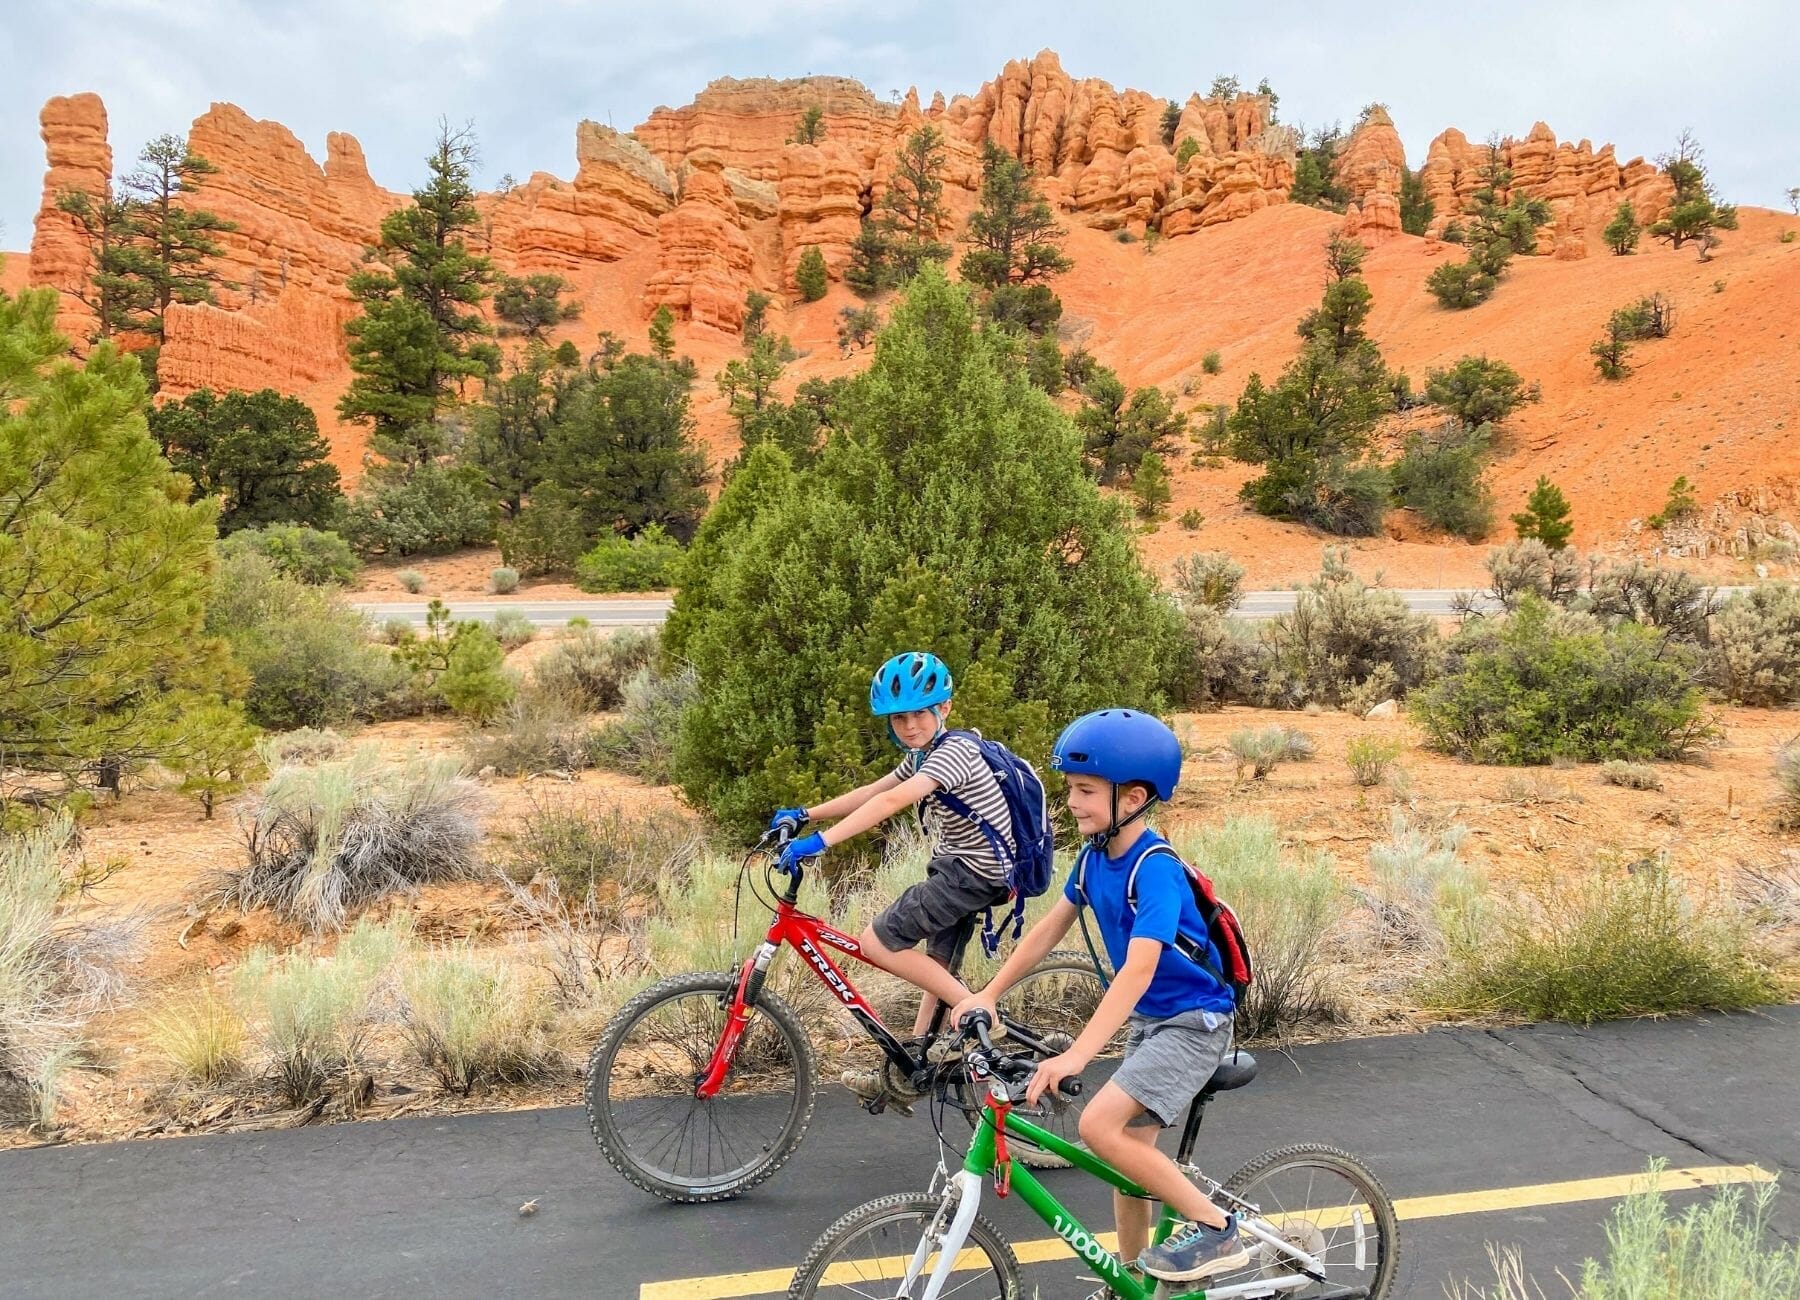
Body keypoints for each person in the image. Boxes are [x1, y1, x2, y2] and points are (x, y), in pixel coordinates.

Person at [951, 709, 1249, 1285]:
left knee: (1098, 1128)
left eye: (1085, 790)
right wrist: (988, 992)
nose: (1071, 802)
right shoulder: (1094, 859)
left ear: (1133, 798)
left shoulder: (1153, 869)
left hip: (1195, 1023)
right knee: (1127, 1159)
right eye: (1069, 788)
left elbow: (1138, 970)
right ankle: (1132, 1282)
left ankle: (1217, 1228)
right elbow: (1049, 929)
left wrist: (1074, 1056)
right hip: (1152, 1019)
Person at [770, 651, 1016, 1105]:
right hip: (961, 868)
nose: (909, 725)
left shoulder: (954, 753)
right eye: (899, 718)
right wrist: (805, 814)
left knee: (876, 942)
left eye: (920, 713)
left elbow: (890, 803)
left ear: (945, 708)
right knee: (936, 967)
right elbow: (873, 791)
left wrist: (820, 842)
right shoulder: (924, 754)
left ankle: (977, 1010)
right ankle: (914, 1067)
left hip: (973, 874)